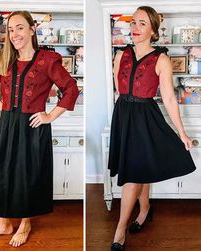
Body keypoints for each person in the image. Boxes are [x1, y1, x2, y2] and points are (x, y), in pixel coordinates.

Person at [0, 11, 79, 247]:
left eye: (20, 28)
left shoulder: (47, 60)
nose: (14, 34)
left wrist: (49, 116)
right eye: (10, 29)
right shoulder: (3, 60)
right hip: (7, 123)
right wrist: (2, 105)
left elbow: (71, 88)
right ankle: (4, 224)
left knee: (27, 175)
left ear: (32, 29)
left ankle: (25, 223)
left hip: (32, 126)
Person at [108, 6, 196, 251]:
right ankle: (144, 208)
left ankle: (119, 230)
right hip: (123, 115)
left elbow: (168, 98)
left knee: (135, 173)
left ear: (154, 31)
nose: (135, 28)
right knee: (140, 166)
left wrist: (182, 132)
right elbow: (119, 88)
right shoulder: (120, 55)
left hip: (145, 117)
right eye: (133, 23)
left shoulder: (162, 59)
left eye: (142, 24)